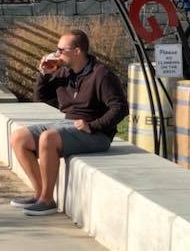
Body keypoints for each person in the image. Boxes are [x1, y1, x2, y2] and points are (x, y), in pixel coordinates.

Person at [8, 29, 128, 216]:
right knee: (18, 138)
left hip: (96, 134)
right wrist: (44, 75)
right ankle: (40, 194)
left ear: (77, 51)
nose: (57, 54)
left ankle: (47, 201)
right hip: (69, 125)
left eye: (61, 50)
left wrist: (93, 125)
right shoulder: (63, 72)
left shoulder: (101, 74)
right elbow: (40, 99)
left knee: (49, 138)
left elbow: (120, 108)